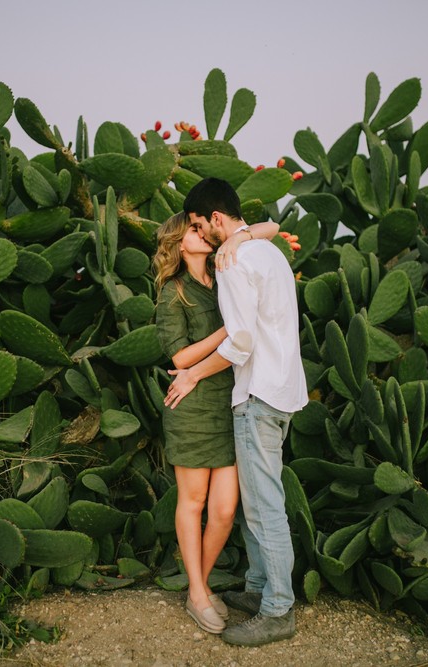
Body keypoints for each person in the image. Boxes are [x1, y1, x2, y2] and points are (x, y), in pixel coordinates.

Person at [163, 177, 308, 647]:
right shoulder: (269, 253)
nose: (203, 235)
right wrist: (247, 234)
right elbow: (268, 229)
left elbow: (240, 341)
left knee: (263, 508)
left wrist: (192, 374)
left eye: (203, 225)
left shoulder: (232, 260)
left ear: (217, 219)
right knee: (254, 505)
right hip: (282, 389)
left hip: (257, 393)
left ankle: (277, 609)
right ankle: (259, 588)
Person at [153, 211, 279, 635]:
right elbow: (179, 358)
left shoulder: (225, 270)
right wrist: (230, 329)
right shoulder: (173, 292)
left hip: (228, 402)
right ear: (177, 243)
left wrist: (235, 240)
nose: (202, 232)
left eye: (203, 226)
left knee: (225, 510)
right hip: (190, 402)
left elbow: (272, 228)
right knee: (193, 503)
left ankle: (197, 588)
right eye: (192, 230)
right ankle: (198, 593)